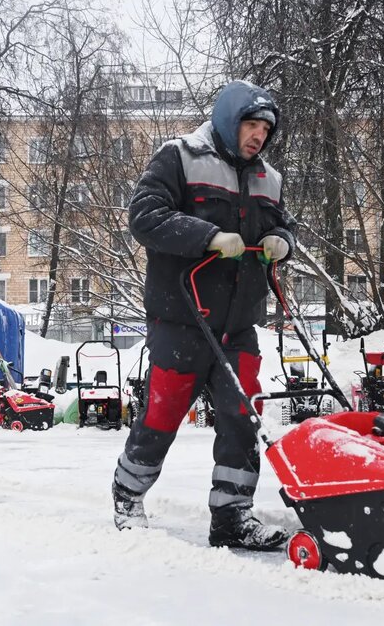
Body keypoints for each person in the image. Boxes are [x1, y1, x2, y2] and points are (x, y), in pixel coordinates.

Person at [111, 80, 297, 551]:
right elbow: (144, 217)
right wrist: (207, 236)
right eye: (250, 125)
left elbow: (282, 225)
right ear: (228, 121)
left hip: (238, 325)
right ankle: (128, 495)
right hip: (182, 317)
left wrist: (283, 242)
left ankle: (233, 515)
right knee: (164, 411)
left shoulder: (268, 178)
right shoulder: (179, 157)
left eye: (264, 129)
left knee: (242, 416)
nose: (257, 136)